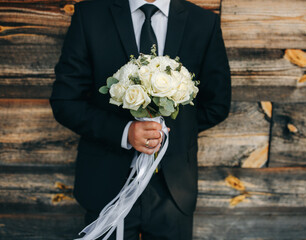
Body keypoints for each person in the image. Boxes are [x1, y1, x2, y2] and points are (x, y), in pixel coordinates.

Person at [50, 0, 231, 239]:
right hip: (106, 182)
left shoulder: (203, 22)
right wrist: (124, 132)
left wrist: (164, 134)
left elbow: (217, 104)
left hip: (173, 190)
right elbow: (66, 101)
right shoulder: (90, 15)